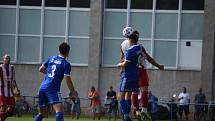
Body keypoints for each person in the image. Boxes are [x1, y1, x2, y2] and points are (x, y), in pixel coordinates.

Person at [121, 27, 164, 116]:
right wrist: (158, 66)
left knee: (132, 92)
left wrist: (122, 69)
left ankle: (135, 111)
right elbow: (148, 58)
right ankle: (144, 110)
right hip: (140, 69)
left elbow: (122, 58)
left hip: (129, 71)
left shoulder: (123, 45)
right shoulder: (138, 47)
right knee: (144, 90)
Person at [34, 42, 76, 121]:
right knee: (59, 110)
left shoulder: (52, 58)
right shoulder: (66, 64)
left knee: (43, 114)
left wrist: (49, 73)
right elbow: (68, 80)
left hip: (42, 88)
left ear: (59, 50)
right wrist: (73, 92)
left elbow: (40, 69)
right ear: (68, 52)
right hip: (52, 88)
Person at [117, 31, 143, 121]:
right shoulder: (140, 48)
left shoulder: (129, 50)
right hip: (136, 75)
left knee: (120, 96)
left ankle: (126, 115)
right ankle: (127, 115)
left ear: (131, 40)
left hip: (128, 75)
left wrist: (120, 64)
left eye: (128, 39)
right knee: (128, 95)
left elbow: (126, 63)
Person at [0, 54, 19, 121]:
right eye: (6, 58)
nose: (8, 59)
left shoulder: (12, 68)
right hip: (2, 91)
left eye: (9, 58)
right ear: (3, 59)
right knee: (3, 107)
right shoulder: (0, 67)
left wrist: (17, 88)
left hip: (10, 91)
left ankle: (2, 117)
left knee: (12, 107)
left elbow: (13, 79)